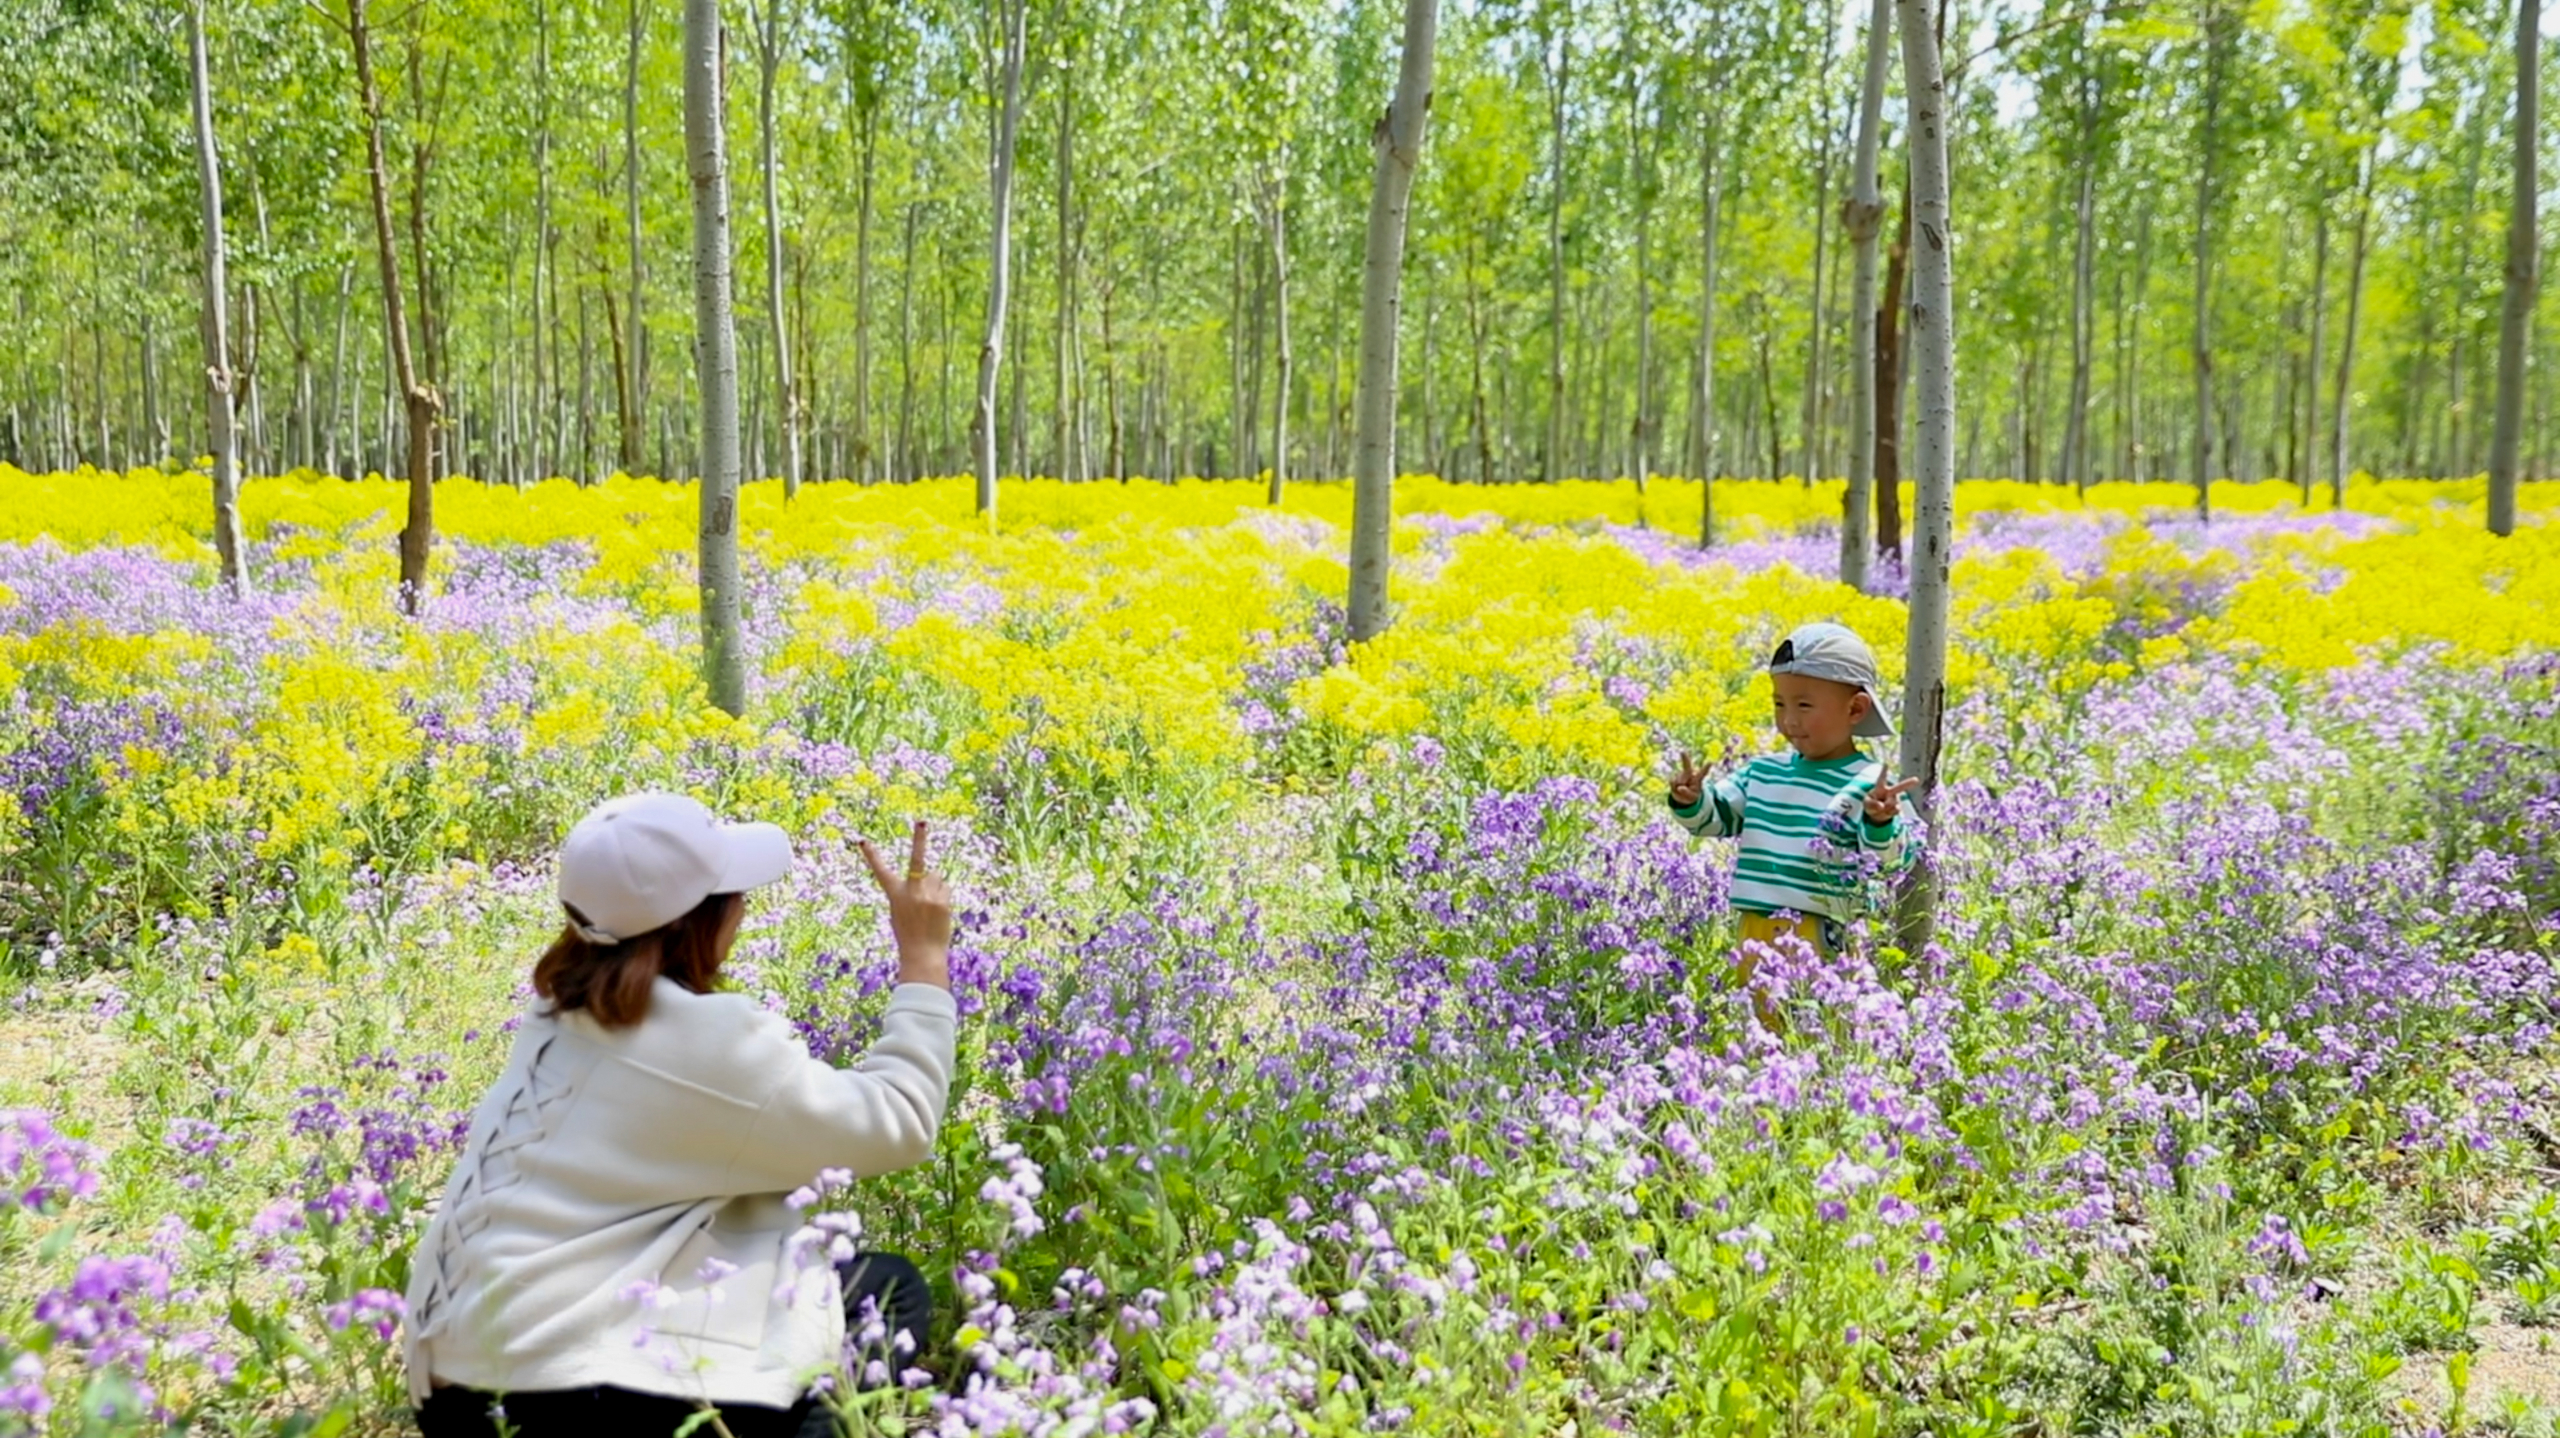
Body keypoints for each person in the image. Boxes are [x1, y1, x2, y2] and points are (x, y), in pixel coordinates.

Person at [405, 792, 960, 1438]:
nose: (745, 909)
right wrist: (923, 959)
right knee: (881, 1296)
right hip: (562, 1400)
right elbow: (901, 1122)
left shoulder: (561, 1008)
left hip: (456, 1389)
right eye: (735, 896)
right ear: (695, 921)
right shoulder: (706, 1041)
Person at [1665, 622, 1920, 996]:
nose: (1790, 720)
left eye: (1804, 705)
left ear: (1855, 709)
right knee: (1760, 1029)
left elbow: (1895, 864)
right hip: (1755, 929)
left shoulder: (1870, 784)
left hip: (1825, 934)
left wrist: (1881, 822)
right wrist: (1691, 800)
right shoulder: (1764, 772)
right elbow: (1715, 819)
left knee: (1820, 1030)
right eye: (1779, 704)